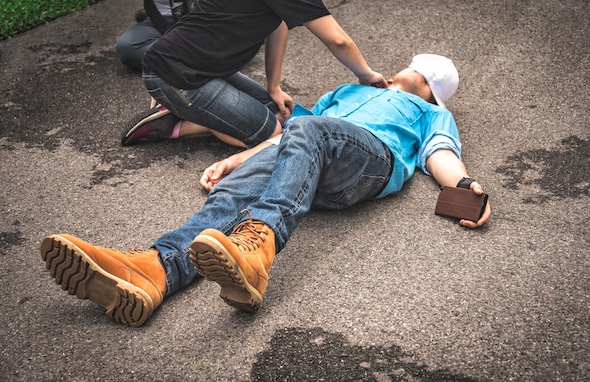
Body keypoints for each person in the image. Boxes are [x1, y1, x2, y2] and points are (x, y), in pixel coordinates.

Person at [41, 54, 492, 327]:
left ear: (430, 86)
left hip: (368, 163)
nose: (406, 71)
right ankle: (154, 271)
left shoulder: (432, 112)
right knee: (232, 193)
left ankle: (259, 246)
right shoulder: (349, 90)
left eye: (418, 70)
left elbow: (439, 155)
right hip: (308, 157)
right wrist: (241, 158)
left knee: (309, 126)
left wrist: (466, 187)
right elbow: (295, 135)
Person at [120, 0, 388, 148]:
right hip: (173, 74)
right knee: (271, 132)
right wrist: (367, 74)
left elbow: (279, 23)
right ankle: (173, 123)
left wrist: (273, 86)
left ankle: (194, 111)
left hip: (206, 68)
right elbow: (338, 40)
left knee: (278, 109)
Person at [115, 0, 207, 70]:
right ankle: (200, 56)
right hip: (163, 17)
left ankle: (187, 58)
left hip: (209, 15)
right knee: (127, 48)